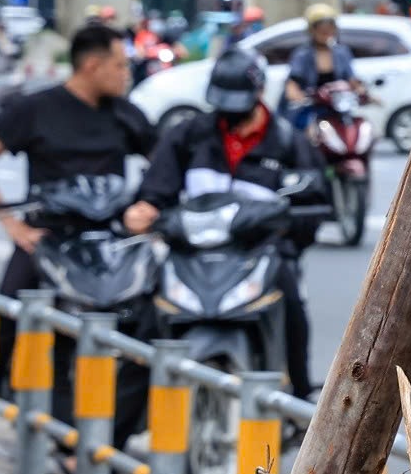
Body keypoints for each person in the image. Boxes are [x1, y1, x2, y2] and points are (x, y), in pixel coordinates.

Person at [0, 21, 157, 396]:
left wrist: (147, 208)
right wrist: (11, 224)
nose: (125, 74)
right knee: (5, 316)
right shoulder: (34, 109)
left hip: (110, 246)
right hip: (48, 237)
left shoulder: (126, 113)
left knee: (152, 318)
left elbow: (162, 164)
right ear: (92, 66)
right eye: (119, 65)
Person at [125, 55, 323, 393]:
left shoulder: (289, 142)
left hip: (257, 255)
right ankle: (114, 432)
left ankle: (300, 403)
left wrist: (285, 232)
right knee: (145, 322)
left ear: (259, 91)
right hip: (192, 256)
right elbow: (157, 188)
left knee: (292, 311)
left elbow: (314, 201)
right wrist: (144, 208)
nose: (231, 115)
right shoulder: (188, 136)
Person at [283, 4, 366, 127]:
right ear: (312, 30)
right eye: (322, 29)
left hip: (338, 108)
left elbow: (351, 78)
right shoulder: (302, 55)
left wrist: (361, 91)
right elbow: (292, 83)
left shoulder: (341, 52)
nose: (326, 33)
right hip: (311, 110)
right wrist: (297, 96)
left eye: (330, 28)